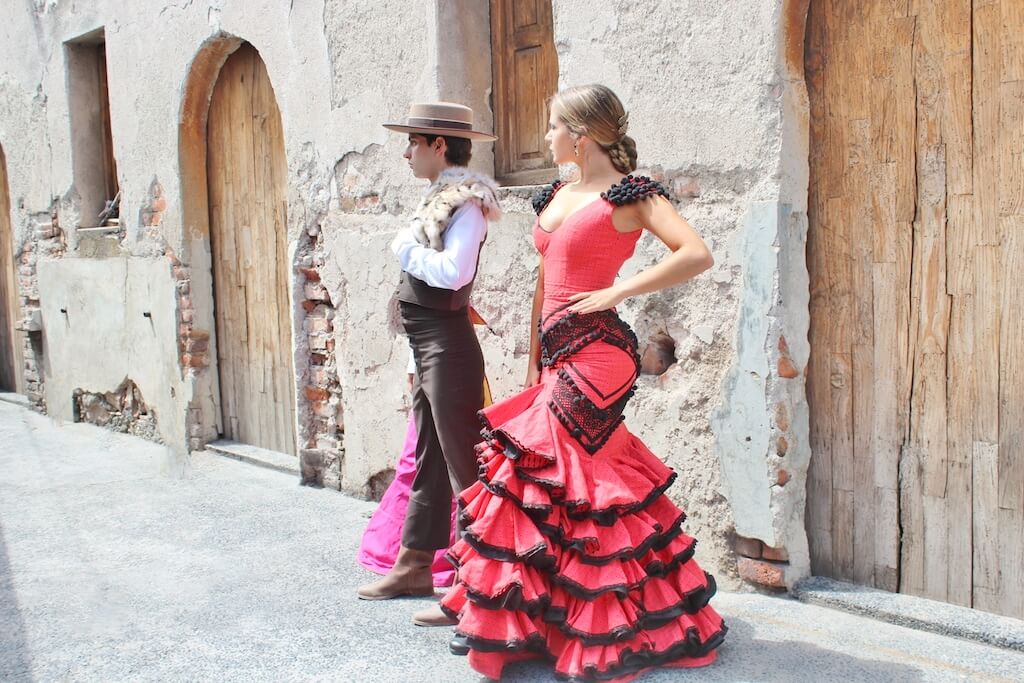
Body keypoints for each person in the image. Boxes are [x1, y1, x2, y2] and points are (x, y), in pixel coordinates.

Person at [439, 85, 727, 681]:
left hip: (600, 353)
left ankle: (606, 626)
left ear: (582, 135)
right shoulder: (559, 192)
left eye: (552, 127)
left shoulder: (632, 194)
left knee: (566, 480)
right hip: (556, 353)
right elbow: (545, 283)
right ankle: (547, 621)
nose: (546, 138)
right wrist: (531, 361)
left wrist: (621, 290)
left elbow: (696, 253)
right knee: (553, 480)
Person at [357, 102, 500, 630]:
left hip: (450, 348)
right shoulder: (441, 199)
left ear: (439, 145)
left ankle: (479, 584)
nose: (406, 150)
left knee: (464, 466)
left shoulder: (468, 205)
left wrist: (403, 250)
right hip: (429, 347)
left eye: (413, 141)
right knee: (427, 458)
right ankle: (415, 565)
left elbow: (453, 272)